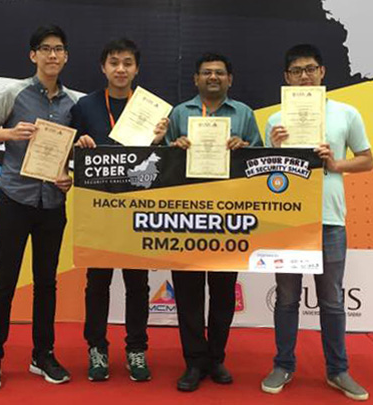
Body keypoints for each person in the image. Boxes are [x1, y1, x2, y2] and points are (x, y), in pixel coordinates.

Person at [261, 44, 373, 401]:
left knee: (333, 301)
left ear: (322, 72)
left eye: (310, 69)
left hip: (329, 221)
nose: (304, 76)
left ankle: (338, 370)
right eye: (296, 71)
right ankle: (283, 364)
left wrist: (335, 163)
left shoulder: (346, 113)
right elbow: (266, 177)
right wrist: (275, 150)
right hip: (289, 221)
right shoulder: (275, 121)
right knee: (287, 300)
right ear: (286, 78)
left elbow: (367, 161)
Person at [0, 25, 78, 390]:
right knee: (4, 281)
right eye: (45, 49)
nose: (53, 55)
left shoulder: (73, 102)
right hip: (14, 198)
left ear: (66, 57)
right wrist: (10, 133)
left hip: (52, 202)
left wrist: (70, 176)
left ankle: (43, 354)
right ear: (33, 55)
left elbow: (76, 152)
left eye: (59, 49)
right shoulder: (14, 93)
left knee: (47, 283)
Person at [71, 38, 168, 383]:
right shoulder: (85, 106)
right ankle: (96, 347)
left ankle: (136, 348)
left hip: (137, 209)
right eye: (114, 62)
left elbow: (166, 164)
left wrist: (160, 141)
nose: (121, 69)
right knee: (96, 283)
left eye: (128, 63)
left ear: (136, 68)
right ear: (103, 67)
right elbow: (71, 154)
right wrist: (79, 145)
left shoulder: (153, 109)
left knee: (137, 285)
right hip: (98, 210)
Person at [166, 52, 263, 392]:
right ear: (195, 79)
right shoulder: (179, 113)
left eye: (219, 73)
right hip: (186, 217)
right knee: (189, 294)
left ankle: (216, 358)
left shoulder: (245, 114)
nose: (213, 77)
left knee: (223, 293)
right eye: (206, 72)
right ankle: (193, 362)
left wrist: (246, 147)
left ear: (230, 79)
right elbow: (161, 165)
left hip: (229, 217)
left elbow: (260, 163)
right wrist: (174, 147)